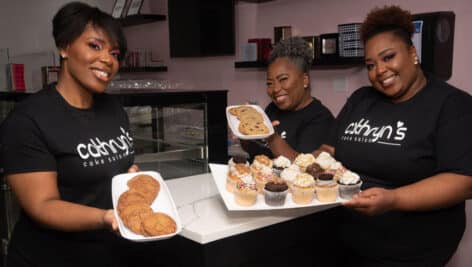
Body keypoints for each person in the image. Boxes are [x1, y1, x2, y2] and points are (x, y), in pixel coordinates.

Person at [315, 5, 472, 266]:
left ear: (412, 53)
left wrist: (393, 199)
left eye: (388, 57)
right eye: (370, 65)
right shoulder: (360, 99)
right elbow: (329, 150)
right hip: (346, 240)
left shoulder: (452, 105)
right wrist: (307, 167)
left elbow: (464, 181)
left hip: (411, 251)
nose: (380, 71)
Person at [0, 2, 139, 266]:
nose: (108, 60)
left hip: (109, 253)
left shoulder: (113, 109)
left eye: (115, 53)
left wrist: (130, 176)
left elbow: (114, 167)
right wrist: (105, 217)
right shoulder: (27, 121)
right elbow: (43, 205)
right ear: (64, 47)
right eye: (95, 46)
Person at [241, 36, 334, 161]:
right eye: (269, 83)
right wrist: (244, 134)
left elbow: (302, 168)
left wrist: (272, 137)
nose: (275, 89)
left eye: (283, 79)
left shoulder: (321, 118)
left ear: (305, 80)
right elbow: (257, 153)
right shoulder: (272, 109)